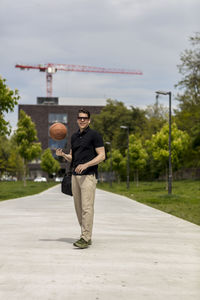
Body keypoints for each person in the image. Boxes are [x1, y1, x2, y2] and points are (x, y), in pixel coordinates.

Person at [56, 108, 105, 249]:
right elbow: (73, 157)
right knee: (78, 208)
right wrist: (64, 155)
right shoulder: (74, 137)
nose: (82, 120)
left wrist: (86, 165)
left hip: (88, 176)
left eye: (85, 118)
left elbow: (102, 155)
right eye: (80, 118)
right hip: (75, 177)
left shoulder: (95, 135)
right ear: (77, 120)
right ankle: (86, 235)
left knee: (87, 208)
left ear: (89, 120)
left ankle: (85, 237)